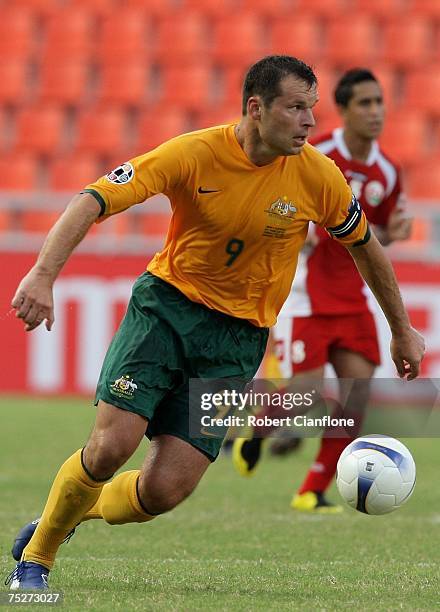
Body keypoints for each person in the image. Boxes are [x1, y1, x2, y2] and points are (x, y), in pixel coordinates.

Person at [6, 56, 424, 590]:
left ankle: (63, 516)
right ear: (256, 107)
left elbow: (367, 249)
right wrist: (43, 275)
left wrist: (402, 328)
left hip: (236, 342)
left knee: (165, 491)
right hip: (165, 313)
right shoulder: (194, 152)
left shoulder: (318, 176)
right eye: (295, 108)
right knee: (112, 447)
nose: (308, 123)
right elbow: (94, 199)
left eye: (311, 109)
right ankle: (34, 563)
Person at [232, 68, 413, 513]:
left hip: (351, 298)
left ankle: (311, 490)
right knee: (306, 394)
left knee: (355, 397)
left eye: (379, 102)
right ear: (345, 111)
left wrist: (395, 231)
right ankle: (257, 431)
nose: (375, 112)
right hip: (304, 294)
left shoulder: (387, 172)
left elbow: (373, 238)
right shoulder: (314, 154)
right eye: (364, 104)